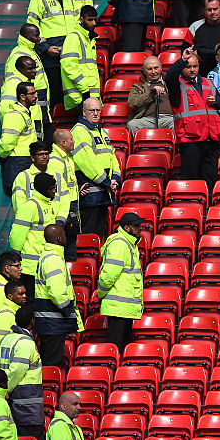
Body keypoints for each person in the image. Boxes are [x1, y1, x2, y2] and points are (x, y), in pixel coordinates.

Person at [166, 49, 220, 189]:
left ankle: (209, 207)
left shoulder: (208, 83)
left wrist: (215, 101)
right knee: (189, 179)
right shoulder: (177, 86)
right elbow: (169, 76)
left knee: (211, 179)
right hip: (191, 141)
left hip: (211, 139)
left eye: (195, 66)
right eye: (188, 66)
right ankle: (188, 207)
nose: (192, 69)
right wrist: (182, 60)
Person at [0, 305, 44, 440]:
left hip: (12, 401)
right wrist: (5, 390)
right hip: (26, 406)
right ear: (33, 321)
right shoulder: (26, 343)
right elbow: (17, 371)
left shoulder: (5, 339)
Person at [72, 98, 120, 237]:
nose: (95, 113)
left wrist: (115, 178)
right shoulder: (79, 131)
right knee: (88, 236)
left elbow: (112, 156)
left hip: (103, 192)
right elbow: (87, 162)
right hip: (90, 194)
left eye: (98, 110)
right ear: (84, 112)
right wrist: (107, 181)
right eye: (91, 110)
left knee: (98, 236)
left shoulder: (101, 132)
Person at [35, 224, 82, 367]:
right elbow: (56, 291)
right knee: (52, 363)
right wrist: (67, 309)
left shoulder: (47, 257)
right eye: (64, 234)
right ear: (59, 238)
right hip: (53, 321)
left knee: (50, 360)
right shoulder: (53, 260)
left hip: (49, 321)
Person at [26, 0, 75, 102]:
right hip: (49, 54)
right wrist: (45, 48)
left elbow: (76, 23)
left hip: (68, 52)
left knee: (69, 92)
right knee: (53, 91)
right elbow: (32, 27)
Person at [98, 213, 144, 352]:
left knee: (121, 348)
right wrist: (101, 294)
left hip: (124, 308)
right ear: (127, 228)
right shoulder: (119, 244)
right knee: (115, 349)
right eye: (136, 226)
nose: (140, 228)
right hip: (118, 308)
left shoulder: (129, 244)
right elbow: (108, 276)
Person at [9, 172, 60, 296]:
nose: (54, 191)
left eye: (55, 188)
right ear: (43, 189)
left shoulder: (49, 204)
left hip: (44, 265)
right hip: (30, 268)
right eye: (51, 188)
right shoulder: (29, 207)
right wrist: (16, 261)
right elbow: (17, 236)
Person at [0, 81, 42, 195]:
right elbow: (7, 142)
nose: (36, 96)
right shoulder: (15, 115)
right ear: (22, 96)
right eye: (32, 93)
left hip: (23, 161)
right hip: (17, 163)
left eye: (35, 93)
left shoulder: (24, 113)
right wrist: (2, 154)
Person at [5, 24, 50, 131]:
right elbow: (15, 84)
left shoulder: (30, 50)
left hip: (37, 103)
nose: (39, 38)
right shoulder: (19, 54)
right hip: (31, 106)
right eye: (36, 36)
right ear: (26, 36)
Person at [59, 5, 100, 112]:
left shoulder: (90, 39)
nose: (93, 23)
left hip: (88, 95)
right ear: (81, 19)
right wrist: (85, 90)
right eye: (90, 20)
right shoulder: (73, 37)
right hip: (80, 95)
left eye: (95, 20)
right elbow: (69, 66)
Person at [49, 129, 79, 261]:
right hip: (64, 208)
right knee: (66, 246)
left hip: (70, 206)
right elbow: (56, 190)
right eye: (71, 139)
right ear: (63, 143)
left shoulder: (66, 159)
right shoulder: (56, 162)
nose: (74, 142)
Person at [127, 56, 175, 135]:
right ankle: (142, 147)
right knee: (132, 125)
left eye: (156, 68)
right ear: (144, 71)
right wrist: (150, 93)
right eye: (149, 69)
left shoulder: (169, 82)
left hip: (168, 118)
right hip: (147, 119)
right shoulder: (138, 86)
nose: (153, 72)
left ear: (161, 68)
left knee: (177, 124)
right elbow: (132, 104)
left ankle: (174, 147)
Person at [0, 280, 27, 369]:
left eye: (25, 293)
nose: (25, 296)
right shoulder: (6, 315)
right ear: (10, 296)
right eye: (21, 294)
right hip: (1, 366)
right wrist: (0, 367)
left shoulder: (14, 312)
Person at [0, 54, 46, 125]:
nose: (34, 71)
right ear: (20, 69)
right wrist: (13, 125)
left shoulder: (26, 82)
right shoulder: (14, 82)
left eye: (35, 68)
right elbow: (5, 107)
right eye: (30, 69)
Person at [12, 141, 56, 213]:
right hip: (32, 221)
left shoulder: (56, 175)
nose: (44, 157)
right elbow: (19, 202)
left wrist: (59, 220)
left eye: (46, 154)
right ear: (32, 157)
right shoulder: (23, 177)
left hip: (53, 221)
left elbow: (63, 200)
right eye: (41, 154)